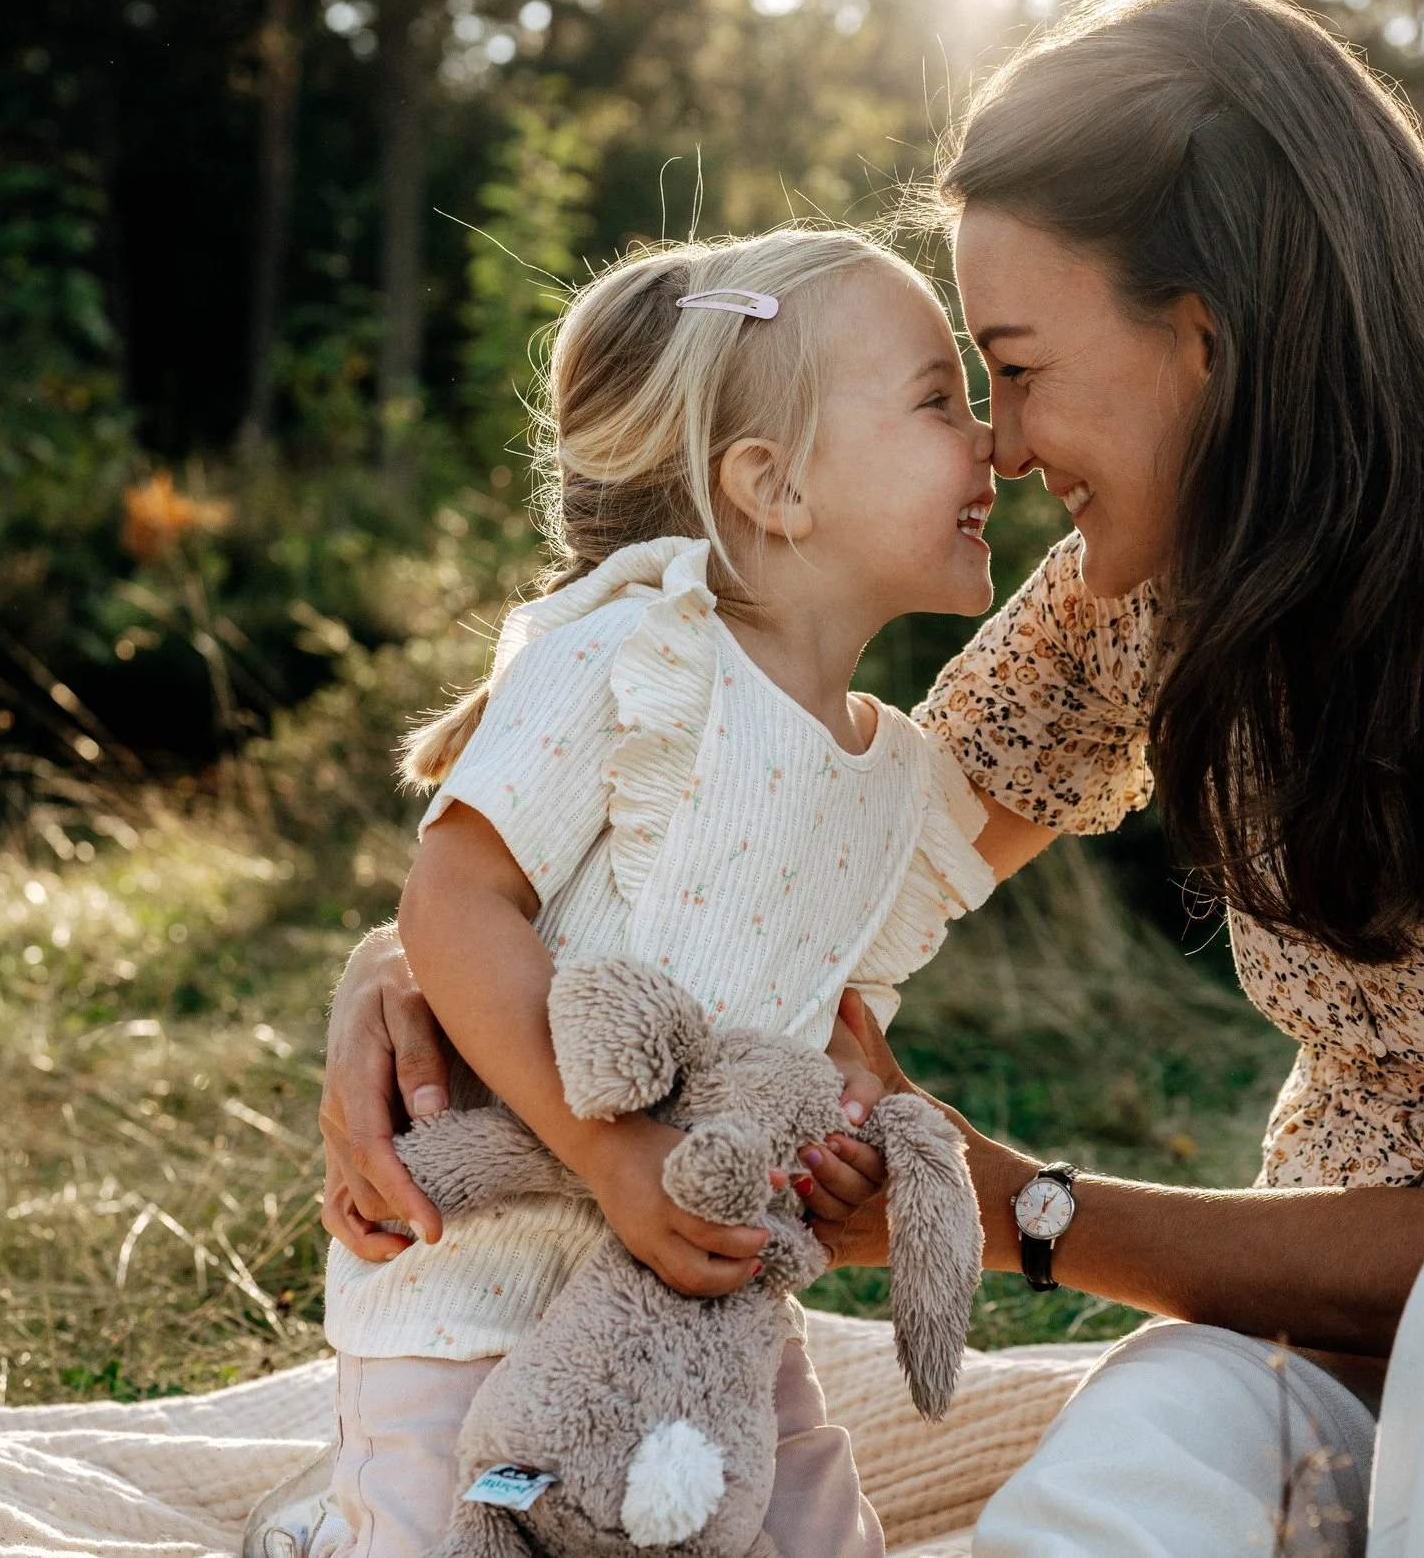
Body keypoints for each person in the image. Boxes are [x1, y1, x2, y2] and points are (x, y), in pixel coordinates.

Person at [324, 0, 1424, 1558]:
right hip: (1335, 1344)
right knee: (1138, 1458)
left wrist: (1026, 1207)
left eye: (1016, 367)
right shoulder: (1158, 588)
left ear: (1208, 342)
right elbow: (805, 852)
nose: (1005, 447)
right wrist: (453, 951)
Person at [313, 226, 1002, 1558]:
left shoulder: (896, 779)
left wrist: (849, 1120)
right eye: (938, 398)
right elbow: (453, 899)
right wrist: (616, 1156)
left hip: (711, 1310)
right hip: (480, 1280)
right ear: (776, 485)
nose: (990, 443)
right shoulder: (643, 649)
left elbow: (827, 1025)